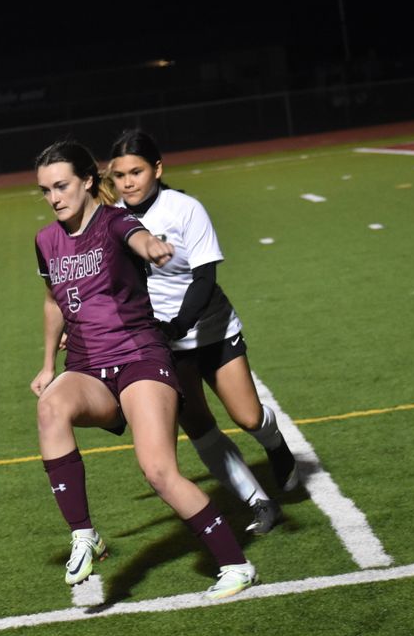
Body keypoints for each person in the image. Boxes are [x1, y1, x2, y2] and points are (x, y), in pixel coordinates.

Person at [31, 139, 256, 600]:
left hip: (140, 358)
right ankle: (84, 534)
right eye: (45, 190)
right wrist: (48, 363)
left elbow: (136, 236)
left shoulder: (116, 221)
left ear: (88, 180)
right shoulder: (45, 240)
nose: (54, 198)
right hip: (88, 366)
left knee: (158, 471)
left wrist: (152, 247)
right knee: (51, 408)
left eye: (61, 186)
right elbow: (54, 299)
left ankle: (235, 564)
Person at [106, 129, 299, 535]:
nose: (127, 182)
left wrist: (178, 325)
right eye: (119, 175)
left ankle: (275, 445)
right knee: (198, 426)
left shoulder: (185, 209)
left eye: (136, 172)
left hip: (209, 328)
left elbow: (204, 278)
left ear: (157, 169)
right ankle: (259, 503)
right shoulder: (112, 221)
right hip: (161, 343)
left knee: (247, 416)